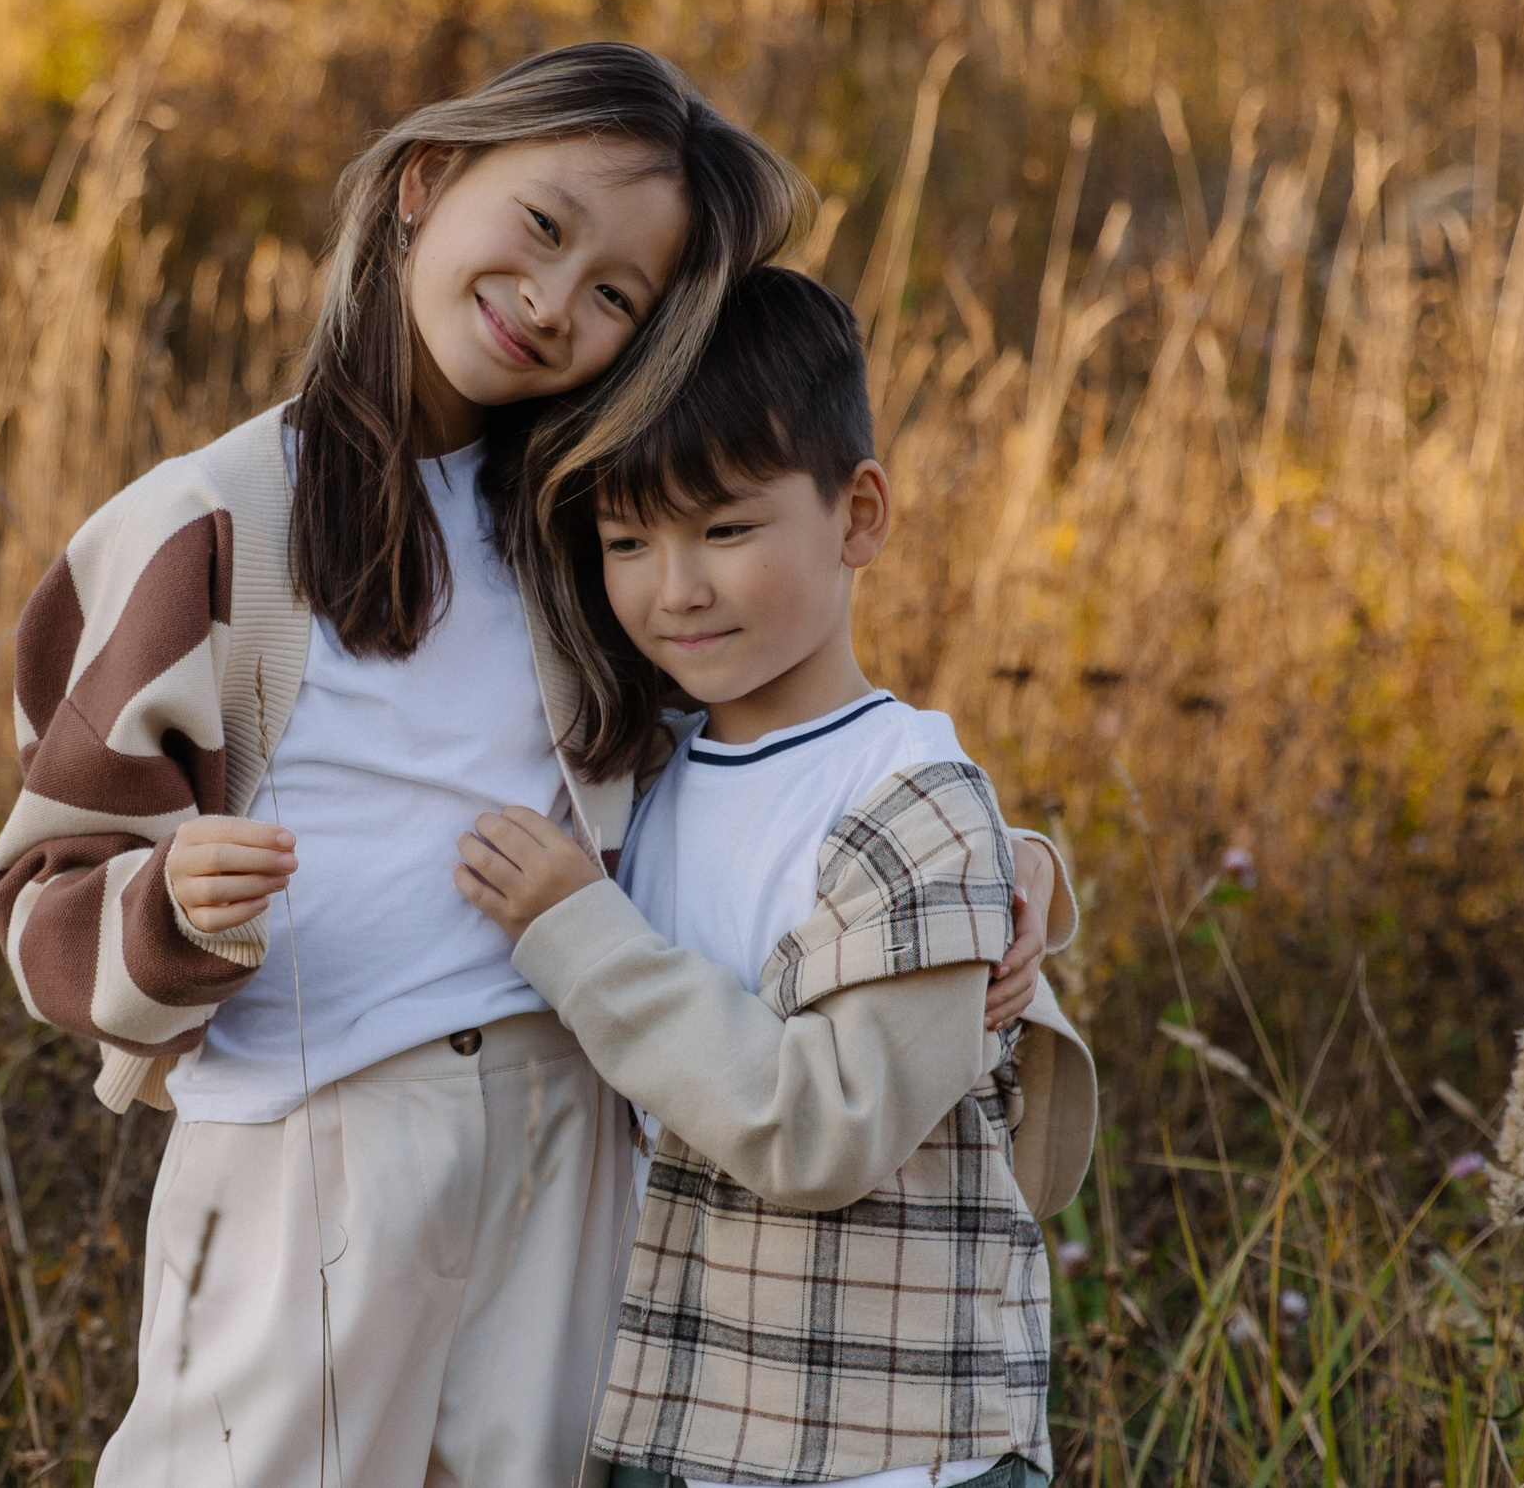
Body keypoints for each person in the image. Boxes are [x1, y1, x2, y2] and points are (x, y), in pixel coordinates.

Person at [0, 43, 875, 1487]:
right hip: (314, 1132)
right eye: (541, 226)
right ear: (428, 178)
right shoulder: (210, 520)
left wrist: (992, 867)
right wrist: (168, 901)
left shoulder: (597, 519)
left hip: (570, 1133)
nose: (553, 300)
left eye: (614, 296)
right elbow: (43, 869)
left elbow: (781, 742)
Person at [455, 266, 1098, 1488]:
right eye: (626, 542)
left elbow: (824, 1131)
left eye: (726, 529)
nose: (673, 589)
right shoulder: (645, 771)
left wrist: (576, 932)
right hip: (685, 1411)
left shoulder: (902, 796)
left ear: (858, 516)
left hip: (879, 1446)